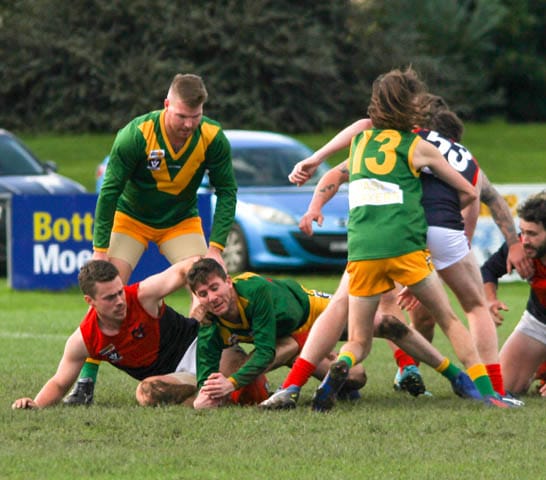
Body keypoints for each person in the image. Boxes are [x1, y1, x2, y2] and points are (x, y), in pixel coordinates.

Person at [286, 93, 529, 403]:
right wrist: (508, 243)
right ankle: (491, 390)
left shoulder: (397, 140)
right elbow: (477, 199)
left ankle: (292, 385)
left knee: (350, 306)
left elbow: (344, 162)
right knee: (471, 307)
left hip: (392, 231)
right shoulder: (462, 155)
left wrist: (315, 195)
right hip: (444, 227)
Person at [65, 73, 237, 404]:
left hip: (180, 220)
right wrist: (100, 250)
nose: (189, 124)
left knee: (204, 280)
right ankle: (86, 379)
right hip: (131, 219)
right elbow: (109, 192)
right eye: (182, 116)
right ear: (166, 105)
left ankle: (199, 364)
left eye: (196, 116)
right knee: (108, 288)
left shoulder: (213, 136)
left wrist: (215, 249)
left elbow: (227, 190)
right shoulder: (135, 134)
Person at [187, 258, 481, 410]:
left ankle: (453, 374)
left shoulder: (253, 291)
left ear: (228, 282)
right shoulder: (209, 318)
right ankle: (289, 385)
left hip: (313, 314)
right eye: (203, 294)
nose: (212, 298)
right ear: (197, 297)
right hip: (284, 339)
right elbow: (207, 362)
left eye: (215, 288)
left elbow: (264, 352)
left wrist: (231, 383)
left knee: (386, 328)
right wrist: (207, 392)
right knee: (233, 377)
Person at [11, 259, 248, 410]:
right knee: (146, 393)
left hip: (205, 349)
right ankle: (212, 395)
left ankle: (221, 392)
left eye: (119, 292)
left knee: (242, 367)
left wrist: (198, 299)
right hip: (175, 379)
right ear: (90, 301)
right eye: (109, 297)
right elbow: (60, 382)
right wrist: (36, 404)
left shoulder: (142, 295)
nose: (119, 301)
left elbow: (190, 266)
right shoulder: (84, 339)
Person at [259, 269, 482, 410]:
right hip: (398, 243)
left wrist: (315, 208)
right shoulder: (257, 299)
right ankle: (475, 384)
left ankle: (295, 384)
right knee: (456, 314)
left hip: (363, 245)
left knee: (358, 345)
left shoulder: (256, 297)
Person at [482, 190, 546, 397]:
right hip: (540, 320)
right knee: (502, 388)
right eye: (522, 231)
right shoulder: (520, 248)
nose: (524, 240)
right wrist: (490, 300)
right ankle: (537, 367)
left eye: (532, 234)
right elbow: (488, 271)